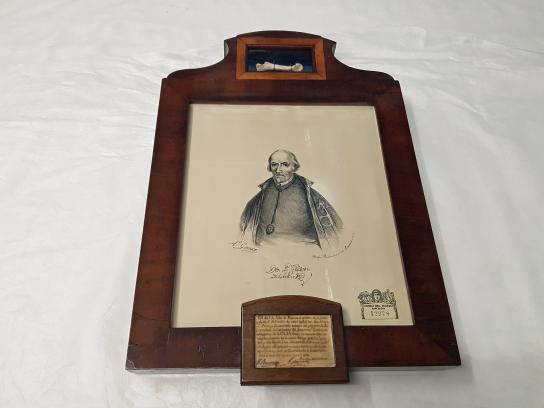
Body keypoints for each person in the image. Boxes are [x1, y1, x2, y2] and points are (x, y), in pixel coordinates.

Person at [240, 149, 343, 252]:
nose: (278, 170)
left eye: (285, 165)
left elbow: (335, 229)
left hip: (303, 251)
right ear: (270, 167)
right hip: (263, 250)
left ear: (294, 167)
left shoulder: (309, 194)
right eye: (274, 165)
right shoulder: (263, 192)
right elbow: (244, 224)